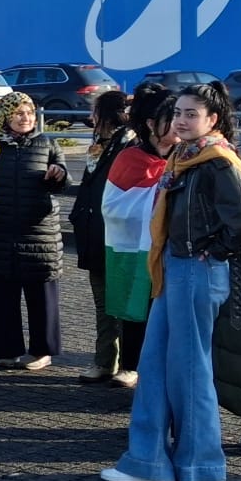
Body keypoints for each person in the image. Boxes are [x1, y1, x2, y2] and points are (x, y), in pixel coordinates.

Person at [101, 83, 241, 481]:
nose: (182, 121)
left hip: (196, 268)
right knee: (155, 363)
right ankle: (148, 459)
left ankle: (200, 462)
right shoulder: (186, 157)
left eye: (192, 114)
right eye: (178, 114)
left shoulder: (216, 160)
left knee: (188, 368)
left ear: (213, 119)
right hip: (175, 265)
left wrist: (216, 250)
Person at [0, 92, 68, 371]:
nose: (26, 118)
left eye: (29, 113)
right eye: (18, 113)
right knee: (2, 296)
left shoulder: (46, 143)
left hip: (39, 233)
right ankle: (6, 350)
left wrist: (59, 174)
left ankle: (42, 350)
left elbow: (63, 182)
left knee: (42, 296)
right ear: (5, 116)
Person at [98, 84, 174, 391]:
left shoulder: (192, 156)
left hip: (175, 250)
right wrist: (160, 194)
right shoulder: (129, 158)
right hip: (137, 249)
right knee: (137, 306)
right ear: (151, 124)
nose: (180, 124)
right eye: (173, 117)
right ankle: (130, 364)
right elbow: (113, 206)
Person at [70, 89, 134, 386]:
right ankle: (104, 360)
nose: (91, 117)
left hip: (118, 236)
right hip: (95, 232)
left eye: (96, 112)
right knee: (103, 302)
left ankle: (128, 365)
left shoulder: (129, 143)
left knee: (124, 302)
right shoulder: (99, 143)